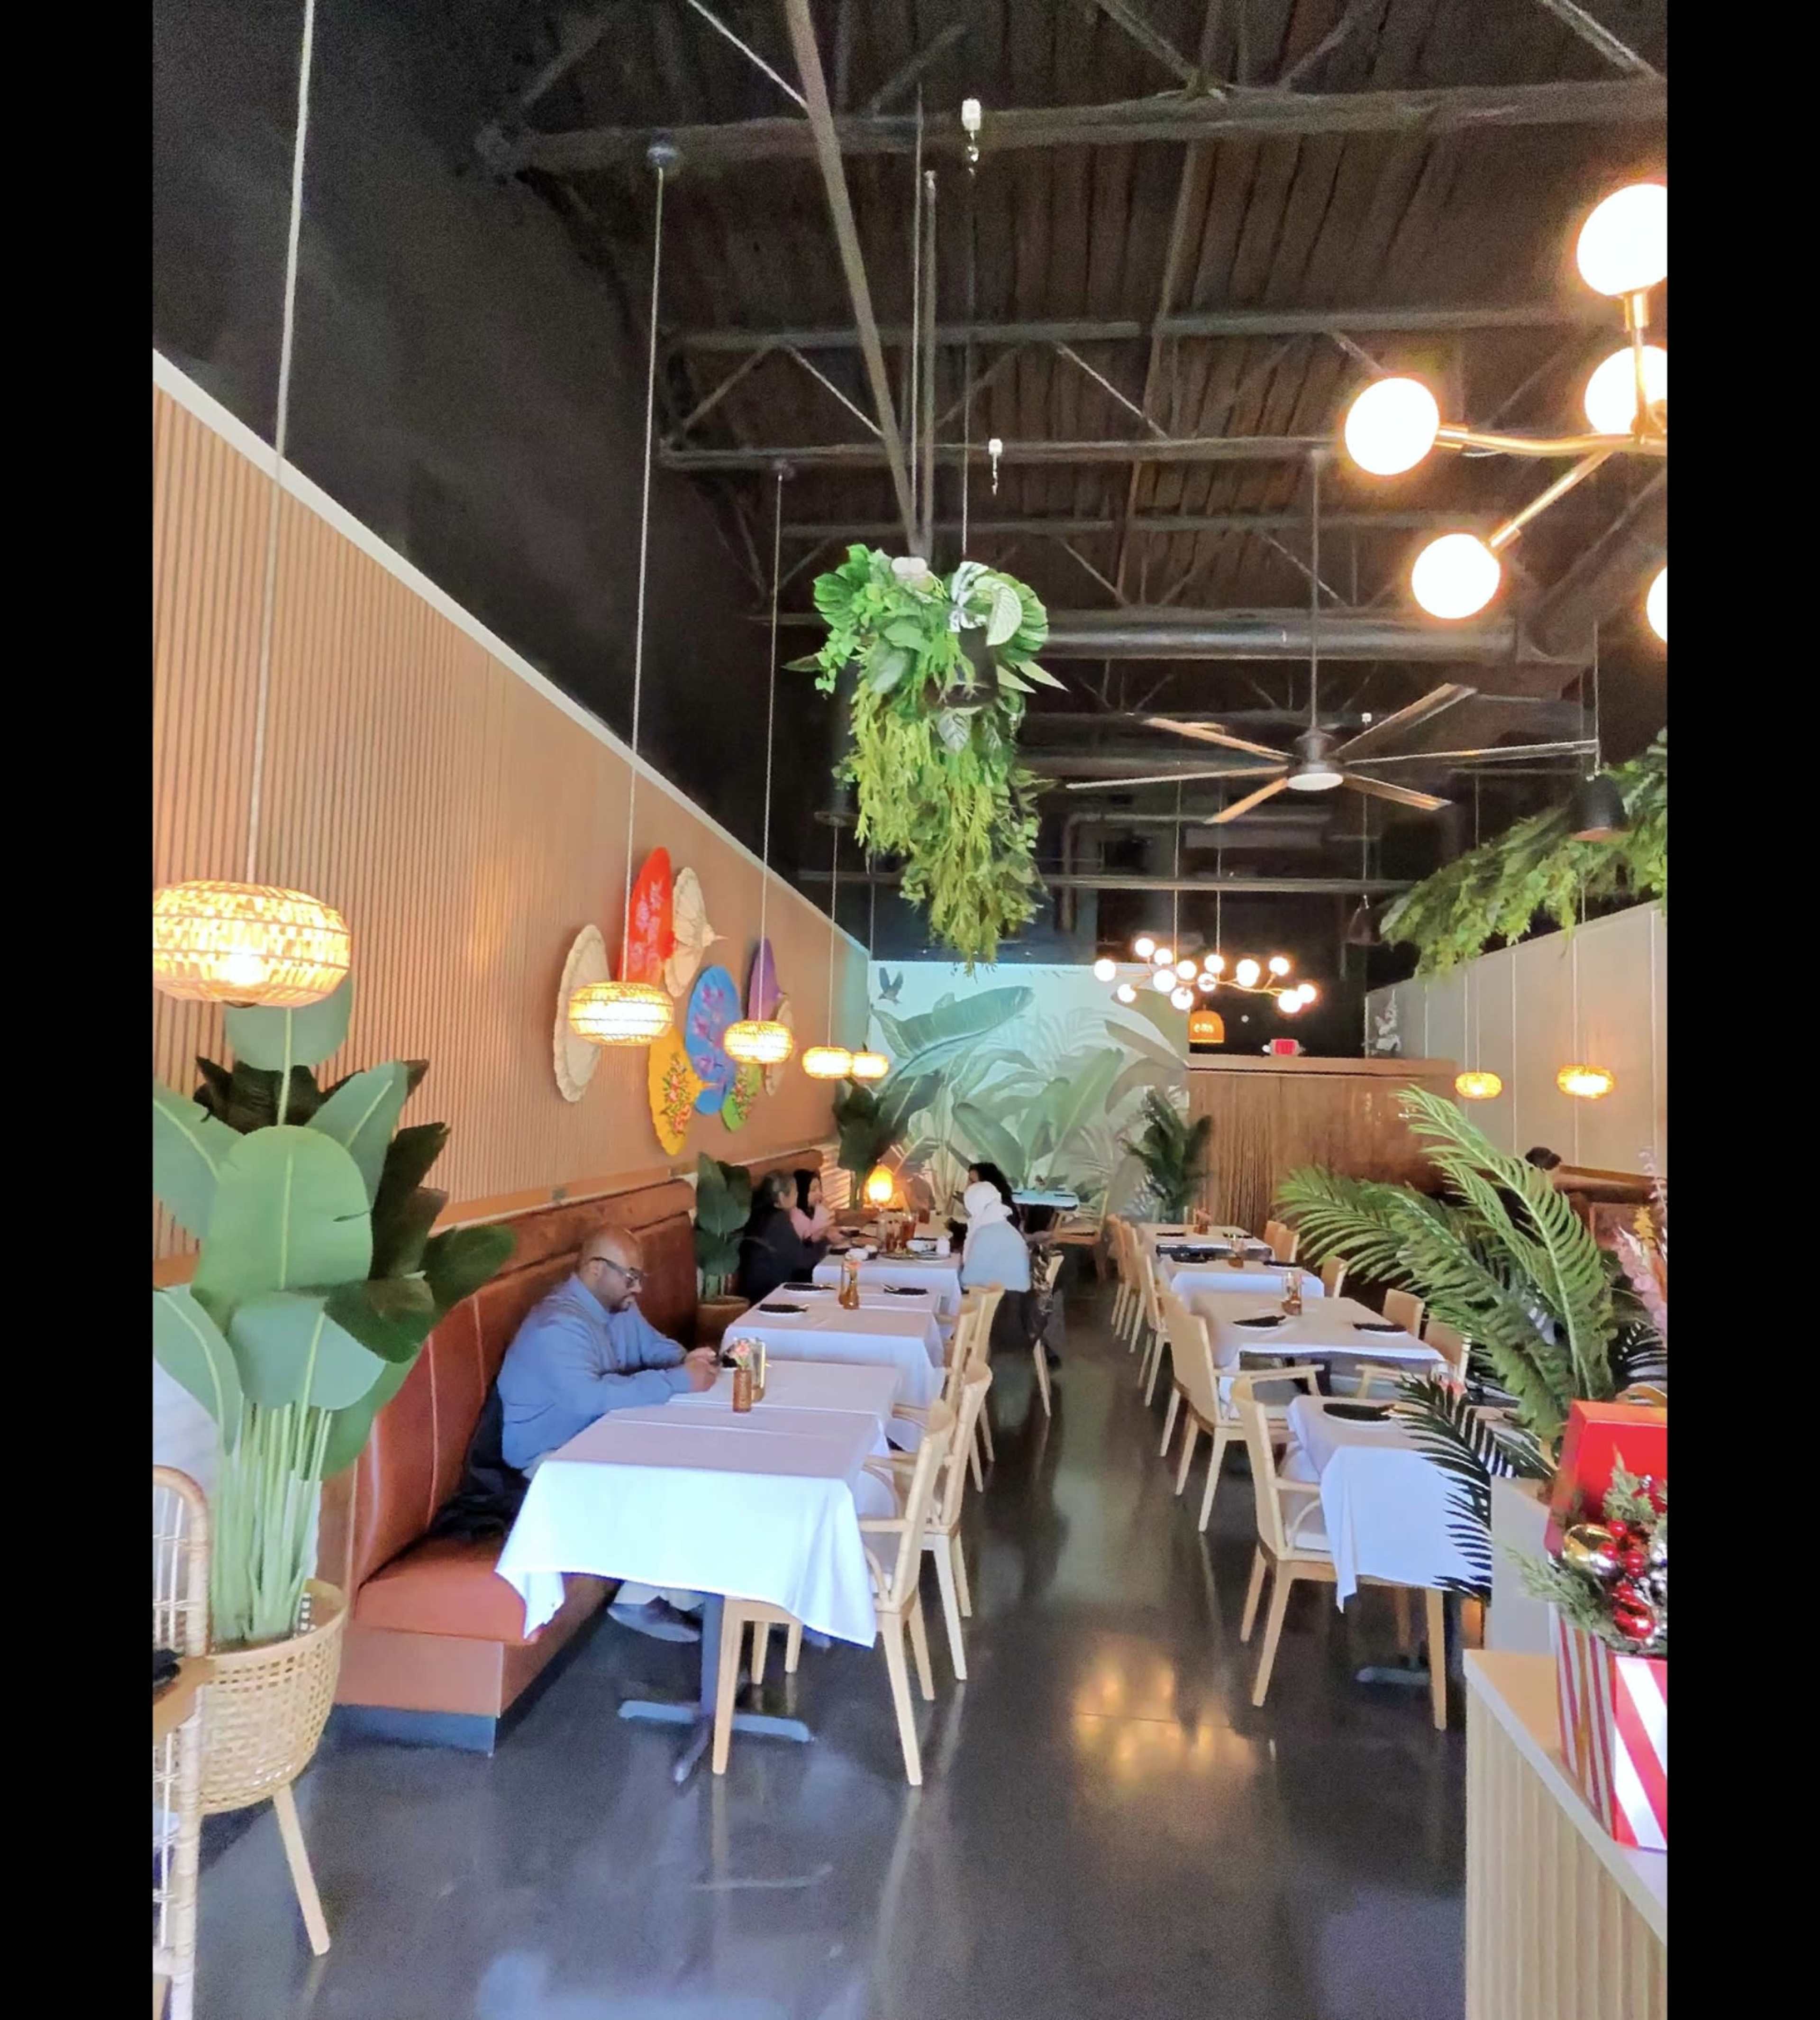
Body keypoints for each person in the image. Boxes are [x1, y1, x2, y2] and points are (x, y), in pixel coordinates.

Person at [496, 1223, 718, 1643]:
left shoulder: (618, 1308)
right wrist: (679, 1380)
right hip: (549, 1458)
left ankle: (689, 1588)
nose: (638, 1288)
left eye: (640, 1278)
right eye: (630, 1276)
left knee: (688, 1453)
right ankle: (643, 1595)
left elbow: (654, 1347)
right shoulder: (558, 1325)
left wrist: (689, 1360)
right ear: (596, 1269)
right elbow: (590, 1398)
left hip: (596, 1436)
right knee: (662, 1471)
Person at [958, 1178, 1033, 1360]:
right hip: (1019, 1304)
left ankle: (959, 1359)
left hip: (1004, 1310)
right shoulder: (1002, 1226)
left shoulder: (986, 1234)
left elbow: (968, 1281)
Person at [737, 1171, 826, 1305]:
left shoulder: (760, 1215)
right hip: (769, 1293)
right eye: (795, 1192)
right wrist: (822, 1237)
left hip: (758, 1288)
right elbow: (804, 1261)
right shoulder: (778, 1221)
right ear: (782, 1197)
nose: (797, 1196)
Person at [788, 1168, 847, 1252]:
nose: (820, 1194)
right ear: (801, 1192)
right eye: (813, 1190)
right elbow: (808, 1244)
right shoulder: (796, 1216)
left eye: (820, 1189)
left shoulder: (812, 1210)